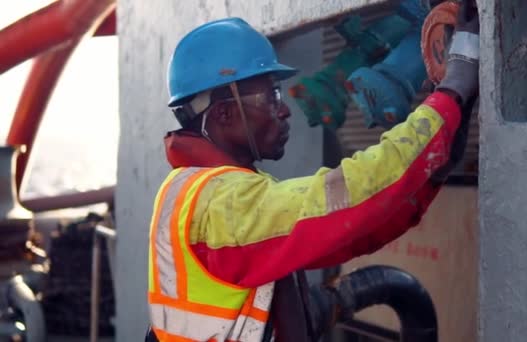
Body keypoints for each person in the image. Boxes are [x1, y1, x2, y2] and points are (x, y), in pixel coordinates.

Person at [146, 3, 479, 341]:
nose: (284, 111)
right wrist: (451, 92)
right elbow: (350, 194)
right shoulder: (219, 205)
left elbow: (352, 228)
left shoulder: (209, 192)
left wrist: (435, 165)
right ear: (224, 115)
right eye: (271, 96)